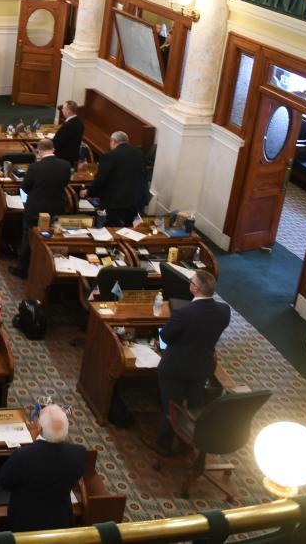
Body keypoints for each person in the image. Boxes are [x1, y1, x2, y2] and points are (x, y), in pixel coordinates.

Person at [155, 270, 231, 454]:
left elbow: (165, 335)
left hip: (175, 367)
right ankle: (187, 446)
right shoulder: (224, 310)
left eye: (191, 281)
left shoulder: (183, 312)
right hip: (201, 366)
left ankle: (165, 446)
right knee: (195, 406)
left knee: (171, 407)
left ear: (195, 288)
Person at [0, 404, 87, 532]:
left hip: (24, 527)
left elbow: (5, 483)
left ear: (39, 429)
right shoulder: (79, 454)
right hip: (60, 526)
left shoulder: (23, 456)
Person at [16, 138, 72, 278]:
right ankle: (44, 269)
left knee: (28, 238)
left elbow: (24, 189)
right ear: (53, 150)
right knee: (50, 239)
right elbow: (65, 183)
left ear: (39, 151)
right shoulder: (65, 165)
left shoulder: (35, 167)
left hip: (35, 210)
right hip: (56, 209)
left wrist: (24, 203)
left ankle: (22, 270)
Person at [85, 130, 149, 227]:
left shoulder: (109, 156)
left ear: (113, 142)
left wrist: (89, 192)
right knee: (131, 229)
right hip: (136, 200)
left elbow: (101, 179)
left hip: (116, 203)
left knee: (112, 229)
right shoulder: (139, 153)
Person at [52, 100, 85, 167]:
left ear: (69, 111)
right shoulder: (79, 122)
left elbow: (57, 142)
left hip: (63, 158)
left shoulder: (69, 125)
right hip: (72, 156)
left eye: (63, 108)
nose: (62, 110)